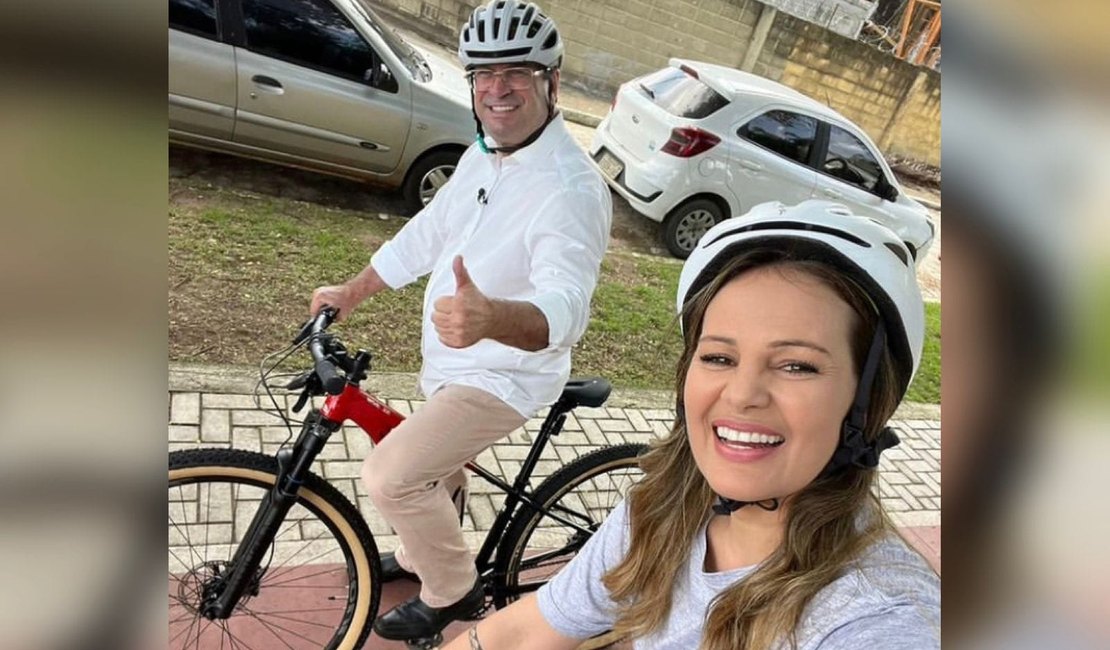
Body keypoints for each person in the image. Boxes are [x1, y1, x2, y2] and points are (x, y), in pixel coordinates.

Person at [443, 200, 940, 649]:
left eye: (796, 365)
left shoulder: (877, 616)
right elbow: (527, 629)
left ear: (865, 402)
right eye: (720, 357)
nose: (743, 395)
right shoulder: (664, 509)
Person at [309, 0, 611, 641]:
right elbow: (428, 232)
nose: (496, 88)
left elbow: (567, 307)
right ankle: (424, 554)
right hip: (452, 360)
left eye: (517, 73)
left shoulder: (571, 188)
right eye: (482, 74)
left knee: (392, 476)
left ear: (552, 82)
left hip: (504, 374)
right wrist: (352, 290)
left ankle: (453, 589)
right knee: (433, 468)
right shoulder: (486, 151)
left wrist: (492, 318)